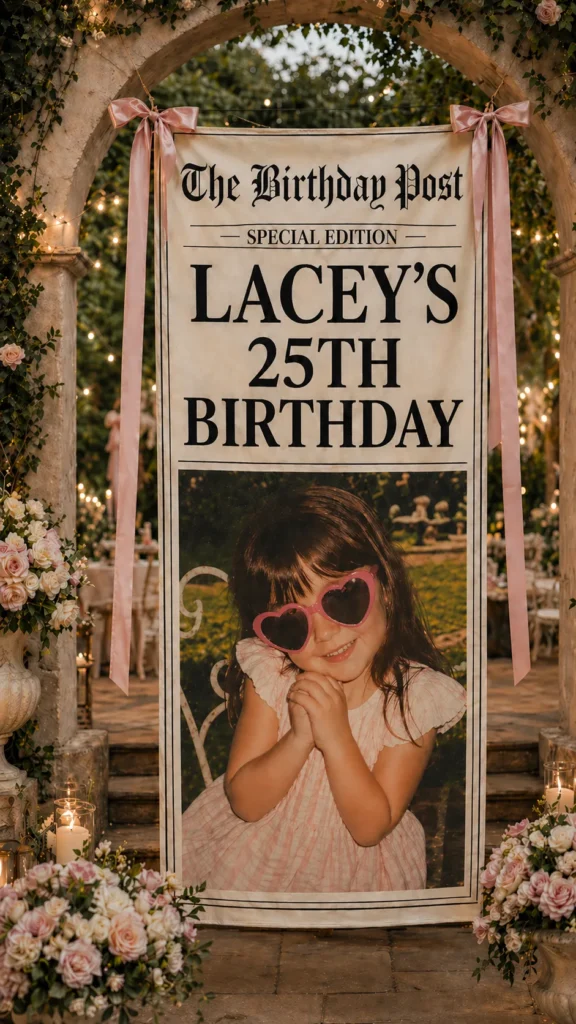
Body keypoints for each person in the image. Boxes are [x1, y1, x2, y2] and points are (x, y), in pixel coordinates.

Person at [181, 485, 466, 893]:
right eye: (292, 622)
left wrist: (335, 738)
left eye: (342, 599)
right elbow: (244, 802)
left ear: (384, 584)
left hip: (355, 874)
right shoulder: (277, 676)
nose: (326, 633)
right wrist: (298, 738)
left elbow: (370, 827)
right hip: (254, 858)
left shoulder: (413, 700)